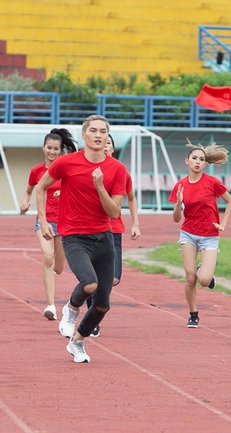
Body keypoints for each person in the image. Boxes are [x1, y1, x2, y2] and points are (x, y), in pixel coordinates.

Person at [36, 115, 127, 363]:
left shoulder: (117, 169)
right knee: (89, 284)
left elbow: (114, 212)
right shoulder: (66, 163)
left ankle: (77, 341)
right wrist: (43, 221)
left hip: (104, 238)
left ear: (108, 137)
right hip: (74, 237)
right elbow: (41, 187)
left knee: (102, 305)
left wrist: (100, 187)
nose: (99, 135)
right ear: (84, 134)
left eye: (103, 132)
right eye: (94, 131)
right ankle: (71, 308)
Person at [169, 141, 231, 328]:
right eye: (194, 158)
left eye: (201, 159)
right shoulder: (180, 186)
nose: (197, 162)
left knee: (204, 280)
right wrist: (177, 204)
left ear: (205, 164)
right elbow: (176, 219)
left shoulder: (212, 182)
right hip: (188, 233)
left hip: (209, 234)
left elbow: (230, 202)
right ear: (187, 161)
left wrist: (223, 223)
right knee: (190, 277)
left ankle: (204, 270)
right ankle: (193, 314)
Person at [20, 128, 77, 321]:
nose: (52, 151)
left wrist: (66, 194)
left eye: (56, 148)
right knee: (47, 257)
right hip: (43, 220)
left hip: (64, 221)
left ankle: (52, 270)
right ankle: (51, 305)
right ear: (43, 148)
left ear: (61, 151)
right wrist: (25, 201)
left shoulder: (66, 169)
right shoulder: (36, 171)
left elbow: (77, 190)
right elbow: (29, 191)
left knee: (59, 267)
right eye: (49, 148)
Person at [87, 134, 141, 338]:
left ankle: (92, 309)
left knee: (113, 279)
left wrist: (135, 223)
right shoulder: (87, 170)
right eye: (103, 142)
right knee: (91, 279)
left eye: (109, 142)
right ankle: (91, 320)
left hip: (114, 231)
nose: (105, 145)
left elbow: (131, 198)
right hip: (91, 231)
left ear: (112, 148)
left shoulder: (120, 172)